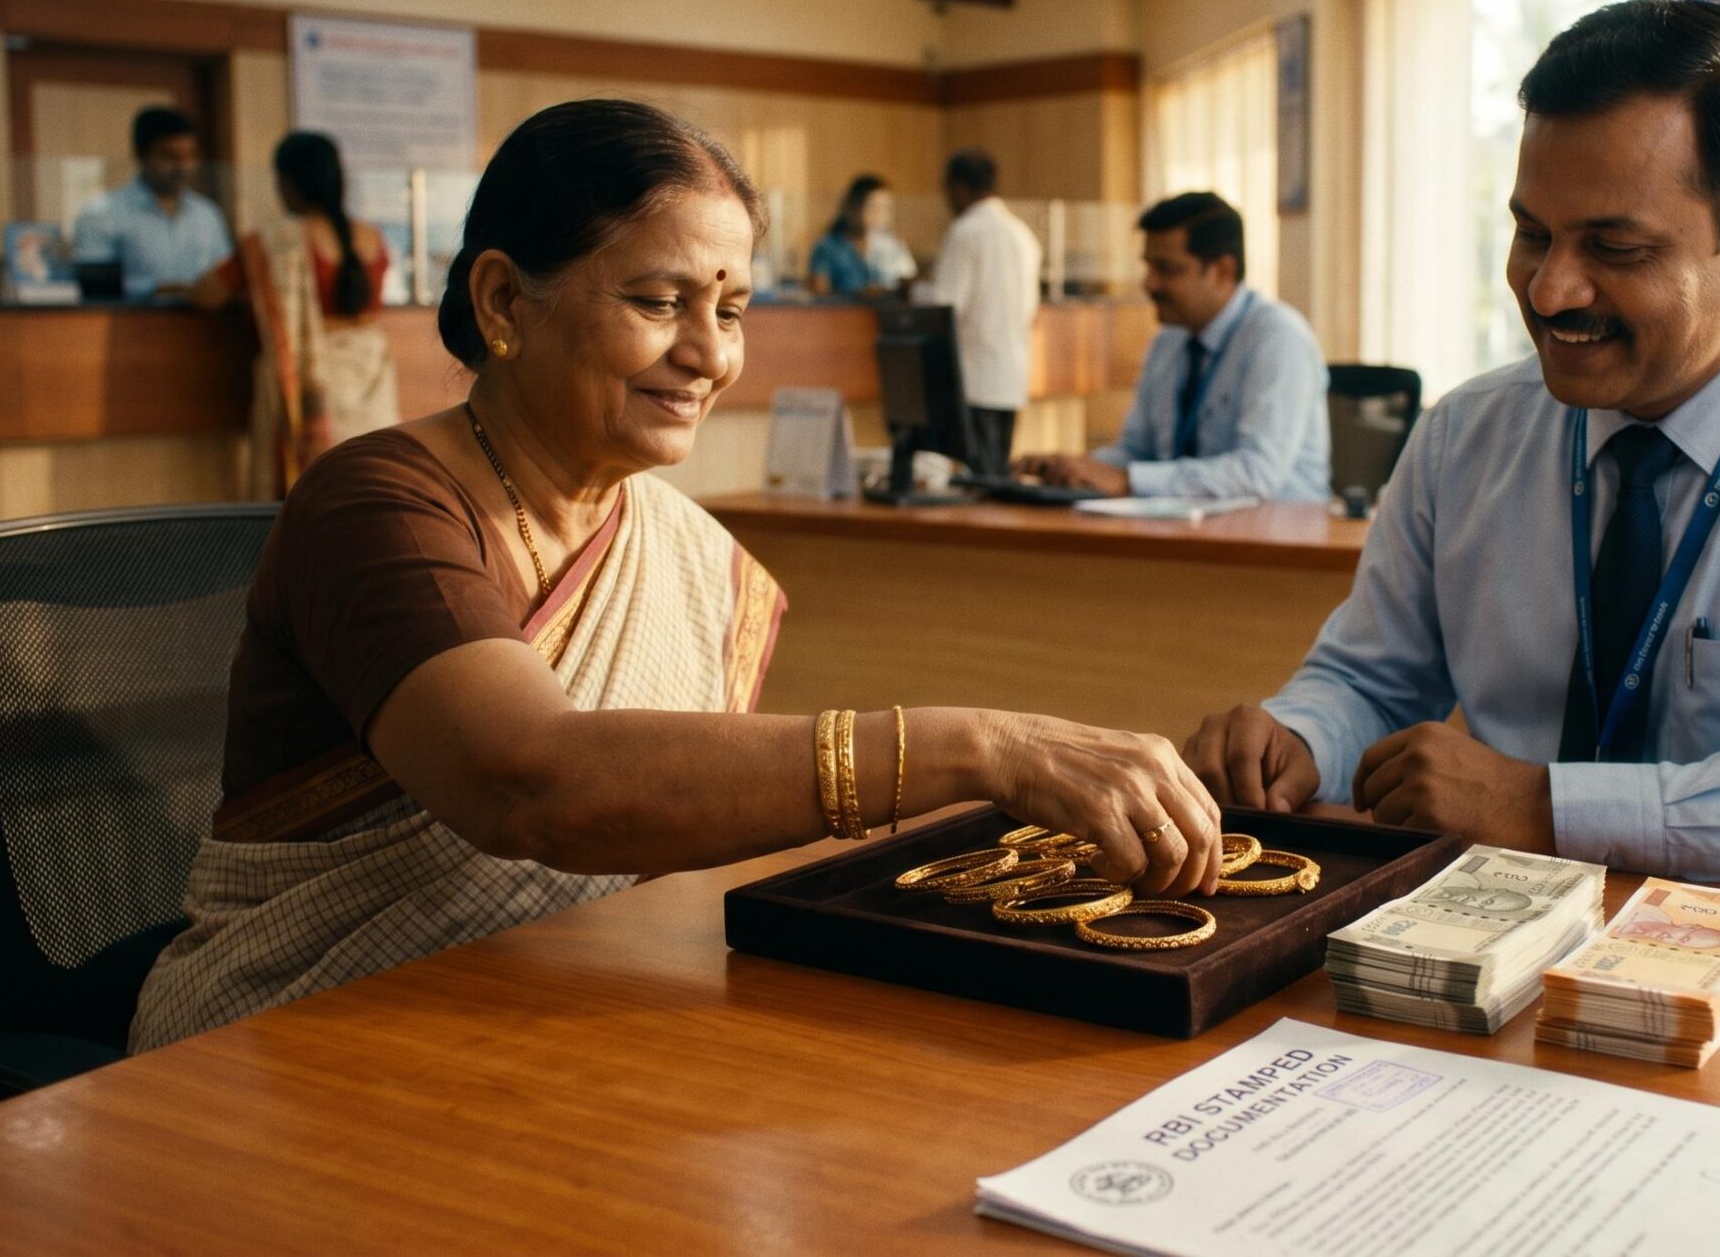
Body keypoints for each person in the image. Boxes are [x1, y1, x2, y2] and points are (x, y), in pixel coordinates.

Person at [130, 100, 1221, 1049]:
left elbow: (656, 853)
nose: (710, 354)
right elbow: (537, 786)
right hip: (294, 1041)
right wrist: (978, 748)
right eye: (659, 303)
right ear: (505, 302)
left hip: (541, 1013)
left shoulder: (679, 545)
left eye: (731, 308)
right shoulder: (377, 506)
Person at [1183, 0, 1720, 886]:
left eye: (1615, 248)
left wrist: (1547, 808)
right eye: (1530, 234)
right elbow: (1372, 681)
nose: (1549, 291)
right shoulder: (1462, 438)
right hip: (1497, 942)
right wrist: (1298, 736)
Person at [1020, 192, 1330, 500]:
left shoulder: (1278, 338)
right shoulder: (1169, 340)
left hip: (1281, 534)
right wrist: (1078, 467)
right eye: (1148, 267)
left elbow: (1257, 474)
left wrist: (1128, 479)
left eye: (1166, 269)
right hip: (1186, 529)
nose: (1148, 283)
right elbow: (1138, 451)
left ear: (1223, 271)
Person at [190, 130, 395, 497]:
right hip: (372, 379)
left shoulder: (277, 242)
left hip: (309, 381)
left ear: (287, 185)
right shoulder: (372, 237)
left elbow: (207, 295)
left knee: (311, 494)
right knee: (368, 482)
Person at [918, 149, 1039, 477]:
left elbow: (944, 306)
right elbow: (1030, 307)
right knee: (995, 472)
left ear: (958, 187)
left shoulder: (966, 232)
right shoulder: (1022, 234)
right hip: (1011, 375)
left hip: (973, 377)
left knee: (978, 481)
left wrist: (913, 291)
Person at [71, 106, 233, 301]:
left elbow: (227, 278)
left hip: (202, 327)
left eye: (190, 155)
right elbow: (93, 285)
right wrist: (155, 288)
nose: (182, 166)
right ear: (141, 155)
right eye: (169, 156)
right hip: (130, 326)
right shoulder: (102, 213)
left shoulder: (208, 214)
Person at [806, 173, 916, 295]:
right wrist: (860, 295)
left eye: (885, 208)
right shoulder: (827, 247)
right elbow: (820, 295)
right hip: (846, 312)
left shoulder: (894, 246)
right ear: (853, 207)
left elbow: (909, 284)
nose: (879, 215)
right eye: (873, 207)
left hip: (885, 311)